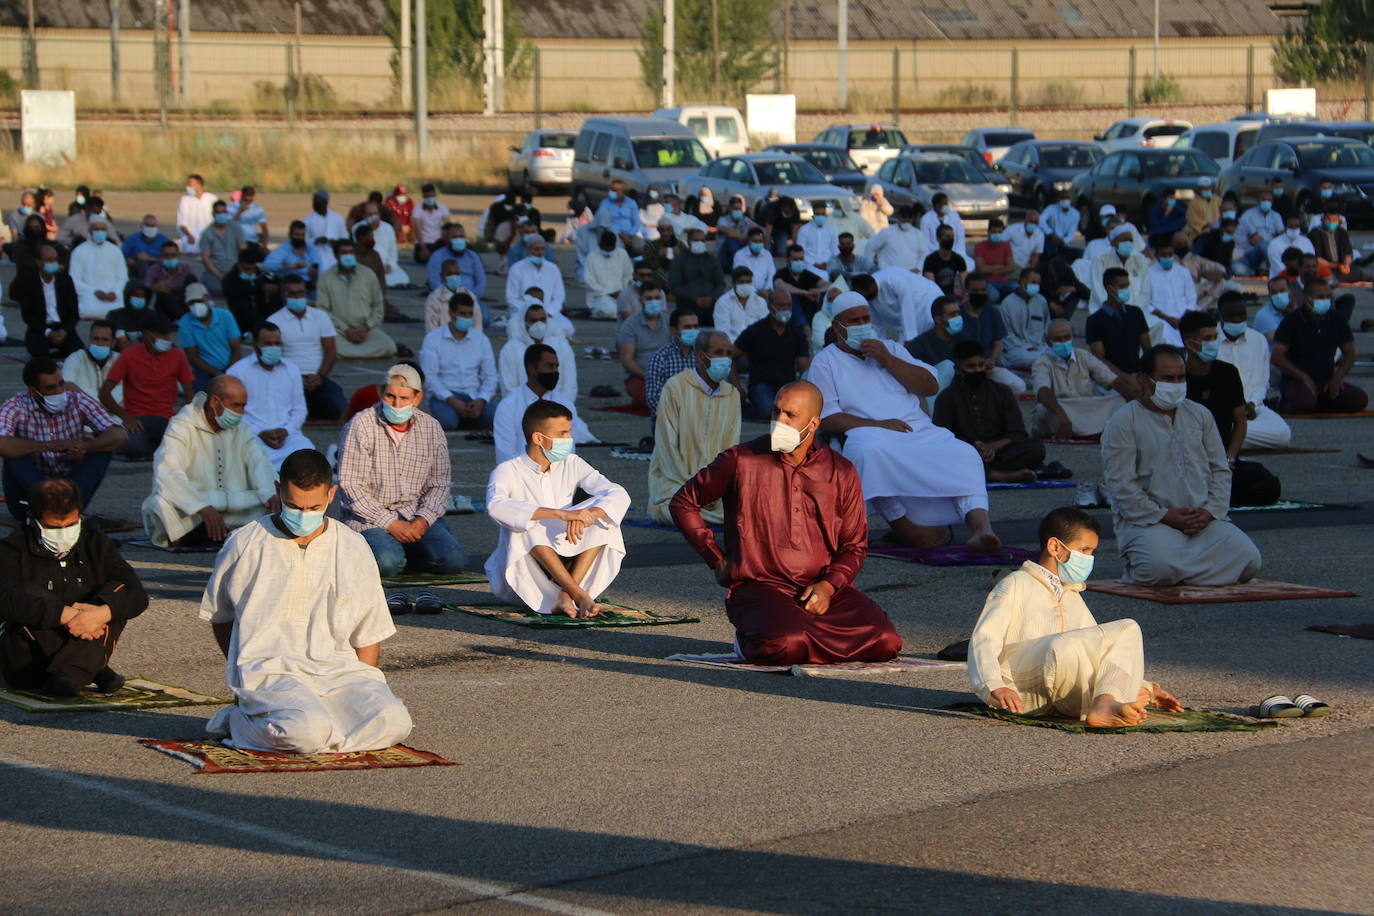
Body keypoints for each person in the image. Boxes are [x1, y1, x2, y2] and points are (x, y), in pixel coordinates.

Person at [671, 381, 902, 665]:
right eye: (776, 412)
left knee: (885, 642)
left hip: (820, 588)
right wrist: (715, 559)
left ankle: (795, 629)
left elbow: (855, 546)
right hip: (760, 586)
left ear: (814, 423)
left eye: (790, 415)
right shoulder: (742, 459)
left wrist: (828, 587)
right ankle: (750, 640)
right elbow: (684, 502)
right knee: (786, 645)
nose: (779, 421)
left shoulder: (840, 470)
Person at [201, 448, 413, 754]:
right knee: (305, 733)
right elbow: (221, 617)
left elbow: (368, 632)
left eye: (313, 507)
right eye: (293, 506)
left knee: (394, 721)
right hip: (271, 675)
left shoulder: (353, 546)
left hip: (338, 673)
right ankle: (241, 720)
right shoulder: (244, 543)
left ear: (331, 495)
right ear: (278, 491)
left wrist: (368, 689)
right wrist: (241, 678)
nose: (303, 516)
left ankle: (314, 732)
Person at [813, 292, 1000, 550]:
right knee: (868, 451)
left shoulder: (891, 348)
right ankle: (905, 527)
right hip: (867, 433)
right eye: (853, 320)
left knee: (965, 453)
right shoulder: (825, 362)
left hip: (917, 429)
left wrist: (888, 360)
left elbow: (930, 385)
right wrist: (879, 425)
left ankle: (981, 529)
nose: (861, 325)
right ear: (837, 326)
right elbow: (829, 420)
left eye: (865, 318)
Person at [968, 507, 1182, 726]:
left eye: (1092, 552)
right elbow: (985, 638)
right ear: (1054, 547)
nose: (1089, 559)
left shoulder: (1071, 593)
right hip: (1020, 690)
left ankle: (1107, 705)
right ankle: (1113, 702)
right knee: (1089, 638)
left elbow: (1100, 653)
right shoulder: (1015, 584)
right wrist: (993, 684)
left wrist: (1148, 688)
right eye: (1085, 550)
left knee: (1121, 634)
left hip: (1059, 693)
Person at [1101, 345, 1263, 586]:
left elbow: (1220, 469)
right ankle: (1197, 572)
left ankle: (1185, 572)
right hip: (1150, 521)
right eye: (1168, 378)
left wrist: (1209, 512)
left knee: (1250, 561)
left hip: (1202, 521)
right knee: (1157, 569)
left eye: (1181, 377)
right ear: (1146, 379)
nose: (1176, 384)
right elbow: (1122, 486)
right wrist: (1165, 516)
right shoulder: (1123, 422)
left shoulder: (1200, 415)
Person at [0, 478, 147, 697]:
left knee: (116, 594)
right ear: (33, 518)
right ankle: (94, 670)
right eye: (53, 527)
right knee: (26, 593)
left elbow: (137, 596)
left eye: (70, 525)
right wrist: (67, 615)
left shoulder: (96, 543)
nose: (63, 532)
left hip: (84, 644)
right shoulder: (11, 549)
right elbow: (5, 600)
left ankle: (72, 675)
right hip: (27, 661)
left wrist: (99, 613)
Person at [486, 400, 630, 617]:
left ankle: (567, 594)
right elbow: (496, 507)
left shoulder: (572, 463)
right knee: (525, 523)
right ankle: (577, 594)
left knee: (603, 516)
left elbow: (617, 493)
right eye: (562, 434)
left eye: (569, 433)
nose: (568, 440)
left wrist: (588, 515)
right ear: (538, 438)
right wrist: (560, 513)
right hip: (528, 577)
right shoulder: (507, 470)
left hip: (571, 554)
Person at [337, 364, 466, 580]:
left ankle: (401, 549)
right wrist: (391, 523)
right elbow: (351, 485)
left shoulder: (431, 428)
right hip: (368, 517)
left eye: (404, 398)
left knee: (453, 560)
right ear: (381, 393)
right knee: (388, 564)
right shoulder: (360, 425)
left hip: (413, 513)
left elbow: (440, 484)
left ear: (417, 398)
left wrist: (423, 520)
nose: (397, 405)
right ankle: (388, 550)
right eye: (391, 397)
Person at [141, 375, 276, 547]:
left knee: (274, 501)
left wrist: (271, 493)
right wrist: (201, 508)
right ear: (214, 402)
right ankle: (207, 532)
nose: (240, 413)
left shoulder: (241, 428)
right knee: (160, 503)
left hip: (237, 503)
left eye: (243, 406)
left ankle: (217, 531)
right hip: (194, 505)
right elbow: (167, 471)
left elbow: (260, 463)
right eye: (236, 406)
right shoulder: (181, 425)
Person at [0, 358, 127, 522]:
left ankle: (65, 509)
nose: (59, 391)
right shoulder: (15, 405)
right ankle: (49, 507)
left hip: (71, 492)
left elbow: (119, 434)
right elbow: (2, 443)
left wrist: (85, 447)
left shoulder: (76, 400)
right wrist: (50, 446)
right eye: (51, 388)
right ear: (33, 391)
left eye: (61, 384)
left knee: (102, 450)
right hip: (30, 497)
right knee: (14, 453)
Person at [1179, 310, 1280, 507]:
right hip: (1187, 464)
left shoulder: (1228, 373)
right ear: (1189, 343)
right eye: (1207, 338)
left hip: (1224, 462)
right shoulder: (1177, 377)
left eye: (1215, 337)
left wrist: (1229, 460)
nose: (1213, 343)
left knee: (1266, 486)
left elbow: (1240, 423)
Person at [648, 330, 741, 526]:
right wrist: (695, 490)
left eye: (728, 353)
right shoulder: (676, 388)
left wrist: (713, 489)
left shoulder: (731, 395)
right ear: (701, 356)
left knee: (746, 508)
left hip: (715, 492)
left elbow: (730, 452)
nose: (724, 359)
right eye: (718, 352)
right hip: (676, 484)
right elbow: (667, 448)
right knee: (671, 510)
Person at [934, 340, 1045, 482]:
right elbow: (942, 437)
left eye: (981, 365)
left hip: (1000, 452)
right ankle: (998, 475)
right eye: (971, 367)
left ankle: (984, 473)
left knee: (1036, 448)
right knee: (945, 457)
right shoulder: (947, 397)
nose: (978, 370)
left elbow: (1017, 432)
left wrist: (992, 447)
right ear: (958, 370)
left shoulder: (1002, 391)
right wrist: (974, 447)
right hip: (968, 453)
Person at [101, 315, 194, 461]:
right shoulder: (129, 355)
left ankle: (152, 450)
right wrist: (126, 417)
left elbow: (190, 394)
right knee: (135, 447)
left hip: (166, 418)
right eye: (163, 334)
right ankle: (155, 450)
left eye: (169, 334)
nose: (168, 339)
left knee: (188, 444)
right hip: (137, 420)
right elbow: (104, 393)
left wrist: (180, 420)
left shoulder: (177, 356)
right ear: (147, 334)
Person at [1271, 279, 1367, 414]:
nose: (1325, 300)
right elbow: (1277, 356)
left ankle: (1318, 402)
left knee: (1359, 399)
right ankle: (1280, 403)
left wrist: (1338, 377)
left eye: (1328, 296)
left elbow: (1350, 352)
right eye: (1320, 297)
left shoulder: (1337, 319)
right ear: (1306, 298)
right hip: (1297, 380)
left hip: (1326, 380)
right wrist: (1302, 377)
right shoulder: (1292, 321)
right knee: (1303, 403)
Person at [226, 323, 314, 469]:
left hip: (289, 437)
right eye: (268, 343)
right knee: (248, 462)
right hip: (251, 436)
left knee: (309, 457)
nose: (274, 347)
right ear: (255, 344)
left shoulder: (292, 370)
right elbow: (234, 413)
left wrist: (286, 431)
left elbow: (299, 410)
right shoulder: (237, 372)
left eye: (277, 343)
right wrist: (260, 432)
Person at [1032, 319, 1133, 438]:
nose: (1063, 342)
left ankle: (1083, 432)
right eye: (1058, 339)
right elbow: (1043, 391)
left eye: (1066, 337)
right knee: (1043, 410)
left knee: (1119, 401)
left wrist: (1136, 403)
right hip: (1062, 408)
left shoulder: (1083, 356)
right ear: (1048, 342)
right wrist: (1061, 415)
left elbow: (1112, 380)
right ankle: (1097, 431)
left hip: (1087, 407)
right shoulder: (1042, 363)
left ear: (1073, 336)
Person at [493, 343, 592, 463]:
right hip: (519, 476)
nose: (555, 372)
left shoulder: (565, 404)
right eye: (549, 366)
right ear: (532, 369)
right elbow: (505, 455)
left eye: (556, 367)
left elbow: (570, 451)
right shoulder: (508, 407)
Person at [1216, 292, 1291, 449]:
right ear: (1220, 316)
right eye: (1231, 316)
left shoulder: (1258, 339)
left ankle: (1225, 439)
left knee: (1282, 434)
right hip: (1220, 410)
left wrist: (1252, 404)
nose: (1237, 319)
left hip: (1253, 408)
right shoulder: (1210, 341)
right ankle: (1226, 436)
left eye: (1241, 315)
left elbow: (1262, 383)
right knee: (1214, 425)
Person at [417, 293, 497, 431]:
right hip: (445, 396)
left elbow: (490, 376)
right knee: (448, 422)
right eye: (462, 314)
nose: (466, 318)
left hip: (475, 395)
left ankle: (469, 416)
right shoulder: (433, 339)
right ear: (450, 313)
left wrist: (481, 400)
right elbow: (429, 377)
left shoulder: (481, 339)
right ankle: (465, 418)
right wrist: (451, 400)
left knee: (496, 416)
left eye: (470, 314)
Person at [735, 290, 811, 421]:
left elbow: (804, 367)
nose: (785, 309)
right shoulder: (755, 331)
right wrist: (737, 387)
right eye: (781, 305)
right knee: (768, 410)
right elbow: (730, 356)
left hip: (787, 387)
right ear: (770, 307)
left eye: (788, 305)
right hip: (761, 386)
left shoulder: (797, 334)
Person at [317, 240, 396, 359]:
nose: (348, 255)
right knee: (328, 346)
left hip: (366, 330)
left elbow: (378, 307)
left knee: (389, 347)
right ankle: (359, 353)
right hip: (339, 331)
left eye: (351, 252)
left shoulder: (368, 274)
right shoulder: (325, 277)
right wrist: (346, 330)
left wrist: (366, 327)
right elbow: (323, 311)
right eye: (344, 252)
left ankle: (347, 354)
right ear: (336, 255)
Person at [958, 274, 1026, 395]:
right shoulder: (958, 314)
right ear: (966, 291)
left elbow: (997, 343)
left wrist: (991, 360)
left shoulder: (992, 312)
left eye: (983, 290)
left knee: (1018, 386)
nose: (980, 293)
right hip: (963, 369)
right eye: (975, 290)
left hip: (987, 367)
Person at [15, 244, 81, 359]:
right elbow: (28, 316)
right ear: (39, 262)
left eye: (55, 259)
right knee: (39, 353)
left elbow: (74, 313)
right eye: (49, 260)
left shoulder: (65, 281)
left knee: (78, 353)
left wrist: (64, 332)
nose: (53, 263)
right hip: (41, 329)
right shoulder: (29, 283)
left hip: (63, 329)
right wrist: (48, 333)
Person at [1085, 267, 1152, 378]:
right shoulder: (1094, 320)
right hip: (1111, 380)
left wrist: (1144, 375)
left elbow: (1147, 348)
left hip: (1138, 377)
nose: (1126, 290)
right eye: (1122, 287)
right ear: (1109, 289)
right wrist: (1127, 379)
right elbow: (1099, 359)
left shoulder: (1136, 312)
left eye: (1127, 286)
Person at [177, 282, 243, 392]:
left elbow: (236, 348)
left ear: (207, 299)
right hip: (205, 369)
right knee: (201, 398)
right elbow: (192, 357)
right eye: (191, 303)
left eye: (198, 301)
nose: (195, 305)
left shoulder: (225, 316)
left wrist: (230, 372)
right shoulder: (185, 322)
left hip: (231, 365)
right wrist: (216, 373)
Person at [616, 282, 672, 409]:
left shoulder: (670, 322)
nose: (654, 301)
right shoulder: (629, 325)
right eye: (649, 298)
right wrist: (648, 376)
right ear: (641, 300)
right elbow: (626, 359)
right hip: (640, 375)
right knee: (645, 401)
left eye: (657, 298)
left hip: (668, 374)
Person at [851, 268, 943, 343]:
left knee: (923, 342)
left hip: (926, 301)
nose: (865, 299)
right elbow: (877, 326)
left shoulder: (892, 279)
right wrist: (881, 345)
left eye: (865, 296)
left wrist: (910, 339)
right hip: (909, 317)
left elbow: (907, 308)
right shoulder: (868, 296)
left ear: (871, 287)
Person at [644, 306, 702, 423]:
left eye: (695, 326)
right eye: (687, 327)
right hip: (671, 420)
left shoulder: (704, 356)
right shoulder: (660, 358)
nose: (693, 330)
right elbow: (653, 399)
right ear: (673, 330)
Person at [505, 236, 570, 334]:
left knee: (568, 329)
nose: (540, 252)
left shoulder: (553, 269)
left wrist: (549, 312)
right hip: (522, 313)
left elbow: (559, 296)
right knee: (516, 330)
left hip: (549, 313)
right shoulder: (517, 268)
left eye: (542, 249)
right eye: (536, 249)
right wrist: (528, 312)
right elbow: (511, 298)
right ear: (528, 250)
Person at [67, 216, 127, 320]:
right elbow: (74, 279)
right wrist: (94, 291)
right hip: (90, 295)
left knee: (120, 309)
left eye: (103, 229)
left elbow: (122, 277)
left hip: (113, 296)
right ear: (90, 230)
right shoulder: (79, 251)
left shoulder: (115, 250)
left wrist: (115, 292)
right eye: (96, 229)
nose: (100, 232)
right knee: (88, 310)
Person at [1089, 224, 1152, 312]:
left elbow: (1145, 291)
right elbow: (1098, 290)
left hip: (1137, 311)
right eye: (1124, 240)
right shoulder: (1100, 260)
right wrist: (1115, 308)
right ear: (1113, 243)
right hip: (1107, 310)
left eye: (1130, 240)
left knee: (1158, 325)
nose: (1128, 243)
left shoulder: (1139, 259)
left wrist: (1133, 309)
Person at [1145, 239, 1196, 346]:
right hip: (1161, 320)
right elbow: (1147, 303)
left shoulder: (1183, 272)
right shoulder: (1148, 274)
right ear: (1156, 256)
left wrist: (1184, 319)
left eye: (1170, 254)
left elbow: (1191, 298)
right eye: (1163, 255)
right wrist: (1168, 319)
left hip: (1184, 318)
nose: (1167, 257)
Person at [997, 268, 1049, 370]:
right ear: (1021, 281)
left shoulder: (1042, 301)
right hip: (1018, 349)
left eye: (1038, 283)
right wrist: (1027, 347)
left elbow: (1047, 328)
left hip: (1040, 348)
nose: (1036, 286)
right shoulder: (1007, 303)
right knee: (1026, 358)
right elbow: (1006, 334)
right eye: (1033, 282)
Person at [425, 223, 487, 301]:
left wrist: (474, 296)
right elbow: (434, 282)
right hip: (445, 299)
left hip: (471, 298)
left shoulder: (473, 256)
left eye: (461, 237)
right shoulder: (437, 256)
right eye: (454, 237)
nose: (459, 240)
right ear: (448, 239)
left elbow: (481, 281)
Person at [198, 200, 246, 295]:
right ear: (213, 214)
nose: (221, 214)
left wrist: (241, 270)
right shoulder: (207, 233)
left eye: (223, 212)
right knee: (216, 288)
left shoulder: (236, 228)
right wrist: (220, 276)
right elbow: (206, 259)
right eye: (218, 212)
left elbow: (243, 250)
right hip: (215, 272)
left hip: (235, 270)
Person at [669, 228, 725, 309]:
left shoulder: (712, 259)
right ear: (688, 241)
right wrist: (694, 298)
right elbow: (675, 286)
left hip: (712, 303)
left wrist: (711, 297)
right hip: (687, 303)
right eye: (696, 240)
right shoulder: (679, 260)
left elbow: (720, 284)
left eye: (702, 241)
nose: (699, 243)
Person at [62, 320, 118, 401]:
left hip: (116, 412)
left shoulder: (121, 360)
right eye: (95, 339)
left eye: (105, 340)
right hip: (86, 410)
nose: (99, 343)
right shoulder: (76, 358)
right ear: (90, 339)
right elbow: (66, 385)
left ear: (113, 342)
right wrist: (97, 404)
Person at [143, 240, 200, 319]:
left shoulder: (187, 268)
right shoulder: (153, 269)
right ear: (161, 256)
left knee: (191, 280)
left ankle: (183, 318)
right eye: (166, 255)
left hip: (183, 302)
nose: (170, 258)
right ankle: (184, 319)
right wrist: (155, 287)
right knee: (163, 293)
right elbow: (145, 287)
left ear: (178, 255)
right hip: (164, 305)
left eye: (173, 255)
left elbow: (199, 287)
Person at [584, 229, 633, 320]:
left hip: (621, 295)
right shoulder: (592, 256)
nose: (608, 253)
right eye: (606, 249)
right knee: (609, 309)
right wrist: (609, 292)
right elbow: (589, 281)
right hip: (600, 296)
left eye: (611, 249)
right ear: (600, 245)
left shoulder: (622, 254)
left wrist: (622, 291)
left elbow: (628, 276)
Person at [774, 243, 831, 321]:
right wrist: (804, 293)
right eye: (795, 259)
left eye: (801, 259)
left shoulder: (807, 274)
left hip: (808, 311)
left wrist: (818, 290)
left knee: (823, 295)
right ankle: (804, 327)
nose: (799, 261)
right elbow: (779, 285)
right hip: (789, 314)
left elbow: (828, 285)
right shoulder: (781, 273)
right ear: (787, 260)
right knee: (791, 296)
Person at [220, 252, 274, 333]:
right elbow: (236, 293)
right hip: (241, 320)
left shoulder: (261, 274)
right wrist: (260, 287)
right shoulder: (229, 280)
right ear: (239, 265)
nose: (250, 272)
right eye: (247, 269)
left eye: (253, 269)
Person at [713, 266, 768, 342]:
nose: (745, 285)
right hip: (732, 346)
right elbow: (723, 332)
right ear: (733, 284)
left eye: (748, 282)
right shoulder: (723, 302)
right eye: (741, 282)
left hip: (757, 345)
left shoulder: (760, 302)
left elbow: (765, 328)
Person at [261, 219, 321, 288]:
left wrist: (315, 277)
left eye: (302, 235)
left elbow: (318, 266)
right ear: (289, 235)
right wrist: (291, 267)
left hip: (311, 285)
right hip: (290, 285)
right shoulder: (284, 249)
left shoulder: (312, 248)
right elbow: (267, 265)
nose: (300, 238)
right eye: (297, 235)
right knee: (265, 275)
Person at [866, 205, 929, 271]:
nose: (907, 220)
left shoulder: (918, 234)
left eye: (909, 217)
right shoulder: (887, 232)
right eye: (904, 217)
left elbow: (924, 253)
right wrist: (870, 267)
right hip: (888, 274)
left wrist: (918, 268)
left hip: (910, 275)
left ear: (912, 218)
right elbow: (870, 247)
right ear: (899, 217)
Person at [1237, 190, 1284, 275]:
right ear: (1258, 201)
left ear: (1272, 202)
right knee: (1263, 245)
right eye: (1263, 200)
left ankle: (1267, 270)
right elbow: (1253, 238)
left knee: (1271, 247)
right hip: (1253, 249)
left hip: (1271, 248)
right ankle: (1275, 270)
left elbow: (1281, 234)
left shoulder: (1276, 215)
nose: (1266, 202)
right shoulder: (1248, 214)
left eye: (1269, 200)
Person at [594, 178, 644, 252]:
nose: (612, 192)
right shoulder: (605, 203)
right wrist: (621, 235)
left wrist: (629, 234)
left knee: (642, 245)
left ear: (622, 192)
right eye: (612, 189)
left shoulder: (631, 203)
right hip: (613, 234)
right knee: (619, 247)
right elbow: (604, 223)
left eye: (615, 190)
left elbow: (636, 222)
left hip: (630, 234)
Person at [305, 189, 348, 272]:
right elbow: (304, 240)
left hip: (334, 257)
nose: (314, 202)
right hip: (316, 257)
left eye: (317, 200)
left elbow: (344, 237)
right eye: (313, 200)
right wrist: (315, 240)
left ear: (325, 202)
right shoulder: (308, 220)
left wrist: (335, 242)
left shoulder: (337, 218)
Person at [972, 218, 1016, 298]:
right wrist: (1000, 267)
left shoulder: (1006, 246)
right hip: (986, 282)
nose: (997, 234)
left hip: (1003, 281)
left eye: (999, 232)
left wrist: (989, 269)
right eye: (994, 232)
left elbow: (1011, 267)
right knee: (993, 296)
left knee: (1017, 289)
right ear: (988, 232)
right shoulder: (979, 246)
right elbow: (981, 269)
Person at [176, 174, 217, 256]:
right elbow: (181, 223)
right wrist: (189, 235)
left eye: (190, 185)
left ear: (199, 185)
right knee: (191, 251)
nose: (187, 187)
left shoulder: (212, 198)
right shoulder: (185, 200)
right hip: (191, 236)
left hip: (209, 235)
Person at [122, 213, 172, 278]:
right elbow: (122, 256)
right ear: (142, 226)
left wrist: (150, 259)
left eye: (153, 225)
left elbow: (170, 259)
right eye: (147, 225)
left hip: (159, 268)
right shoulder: (132, 239)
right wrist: (129, 260)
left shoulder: (165, 240)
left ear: (157, 226)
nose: (150, 228)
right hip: (136, 268)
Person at [923, 224, 968, 294]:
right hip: (936, 297)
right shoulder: (930, 260)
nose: (951, 239)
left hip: (951, 297)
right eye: (947, 236)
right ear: (938, 238)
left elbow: (965, 285)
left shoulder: (959, 259)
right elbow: (931, 287)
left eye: (952, 236)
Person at [412, 184, 451, 262]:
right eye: (427, 196)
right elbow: (417, 230)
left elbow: (448, 227)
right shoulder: (417, 210)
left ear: (435, 195)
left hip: (438, 242)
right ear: (423, 196)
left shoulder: (442, 208)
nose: (430, 199)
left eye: (432, 196)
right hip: (424, 243)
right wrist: (423, 248)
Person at [1267, 215, 1314, 279]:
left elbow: (1311, 261)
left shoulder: (1307, 242)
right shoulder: (1274, 243)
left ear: (1300, 227)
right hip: (1279, 280)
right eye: (1291, 226)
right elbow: (1278, 266)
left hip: (1303, 280)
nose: (1294, 229)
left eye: (1296, 226)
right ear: (1285, 227)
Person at [1040, 191, 1083, 261]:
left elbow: (1072, 232)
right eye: (1063, 198)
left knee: (1080, 240)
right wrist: (1050, 233)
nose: (1065, 200)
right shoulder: (1051, 208)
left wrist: (1063, 241)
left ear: (1071, 199)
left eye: (1067, 198)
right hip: (1052, 238)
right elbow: (1040, 220)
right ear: (1059, 199)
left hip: (1065, 240)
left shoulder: (1076, 213)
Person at [731, 226, 775, 292]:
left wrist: (766, 290)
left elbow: (771, 275)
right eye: (755, 241)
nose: (758, 243)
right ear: (749, 241)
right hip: (746, 292)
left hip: (765, 293)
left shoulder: (767, 255)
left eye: (760, 241)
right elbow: (739, 276)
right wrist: (755, 293)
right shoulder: (739, 255)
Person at [796, 203, 840, 270]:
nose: (820, 216)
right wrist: (814, 263)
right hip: (809, 265)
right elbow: (800, 250)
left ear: (826, 215)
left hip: (828, 264)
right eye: (818, 214)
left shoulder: (832, 230)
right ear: (813, 215)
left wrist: (829, 263)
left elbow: (835, 250)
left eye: (822, 214)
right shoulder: (804, 229)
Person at [227, 184, 269, 252]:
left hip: (251, 241)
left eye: (250, 200)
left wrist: (264, 245)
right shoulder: (231, 207)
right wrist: (240, 212)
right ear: (242, 196)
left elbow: (264, 228)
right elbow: (229, 224)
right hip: (236, 241)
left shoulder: (257, 208)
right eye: (246, 200)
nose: (248, 202)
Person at [1252, 275, 1293, 342]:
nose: (1279, 295)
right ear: (1269, 295)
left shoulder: (1295, 310)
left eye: (1282, 291)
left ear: (1290, 291)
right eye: (1274, 292)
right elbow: (1281, 340)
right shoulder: (1263, 315)